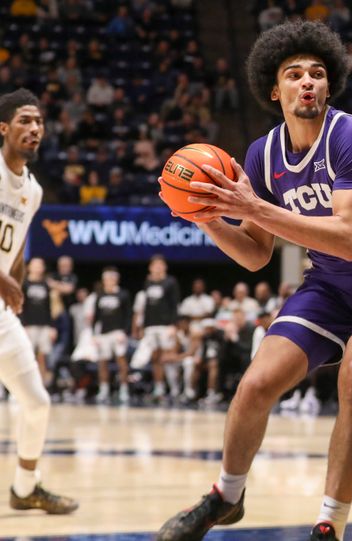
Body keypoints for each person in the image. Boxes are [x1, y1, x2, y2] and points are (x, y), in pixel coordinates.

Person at [156, 21, 352, 541]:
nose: (307, 82)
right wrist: (210, 217)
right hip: (329, 282)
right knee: (257, 382)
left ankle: (330, 522)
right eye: (294, 74)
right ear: (275, 90)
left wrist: (255, 206)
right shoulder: (263, 155)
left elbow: (351, 237)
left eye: (317, 74)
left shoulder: (351, 136)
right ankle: (227, 495)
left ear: (328, 88)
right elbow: (257, 256)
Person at [0, 88, 78, 513]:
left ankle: (26, 487)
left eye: (39, 122)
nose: (34, 128)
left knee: (36, 401)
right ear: (4, 128)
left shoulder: (32, 189)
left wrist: (14, 283)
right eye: (25, 121)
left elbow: (18, 244)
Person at [130, 254, 180, 400]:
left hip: (166, 326)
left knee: (168, 357)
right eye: (155, 265)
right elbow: (146, 307)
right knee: (155, 358)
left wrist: (173, 325)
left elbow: (174, 305)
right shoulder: (148, 283)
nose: (157, 267)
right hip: (151, 326)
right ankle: (159, 388)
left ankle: (175, 388)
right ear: (150, 268)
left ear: (164, 267)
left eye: (160, 264)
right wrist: (143, 327)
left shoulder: (171, 282)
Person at [88, 267, 131, 404]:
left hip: (117, 332)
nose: (109, 281)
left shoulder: (123, 295)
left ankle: (124, 389)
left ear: (116, 279)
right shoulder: (99, 295)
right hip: (103, 333)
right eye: (107, 279)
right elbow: (96, 317)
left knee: (121, 361)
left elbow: (128, 315)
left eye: (112, 278)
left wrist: (125, 332)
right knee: (103, 362)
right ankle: (104, 389)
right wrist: (94, 334)